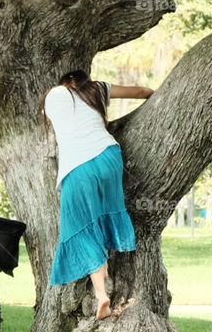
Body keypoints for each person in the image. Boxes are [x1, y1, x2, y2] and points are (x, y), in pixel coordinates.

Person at [42, 70, 154, 318]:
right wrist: (156, 96)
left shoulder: (53, 95)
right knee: (100, 219)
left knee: (81, 227)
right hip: (109, 157)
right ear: (84, 81)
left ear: (64, 82)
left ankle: (101, 294)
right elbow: (140, 92)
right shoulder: (97, 89)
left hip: (77, 168)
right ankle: (103, 274)